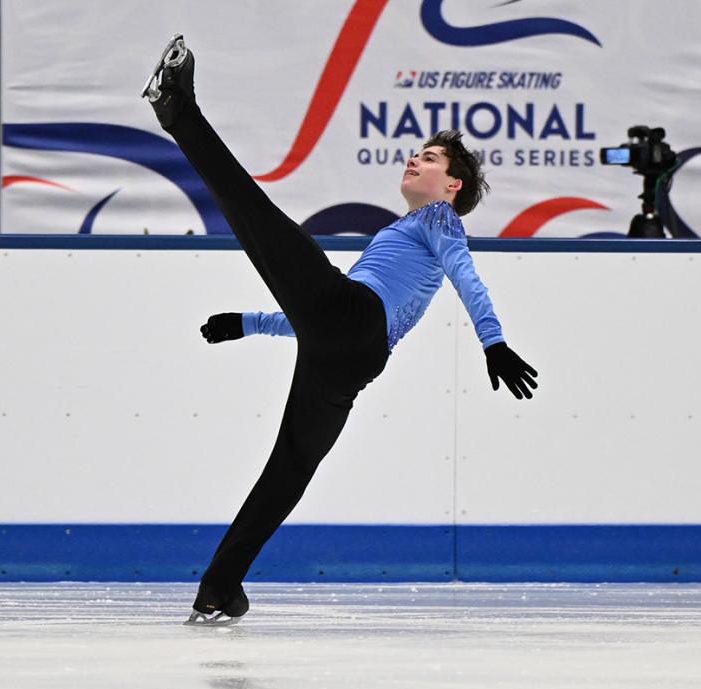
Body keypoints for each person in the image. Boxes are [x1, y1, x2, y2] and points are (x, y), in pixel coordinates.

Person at [142, 35, 539, 625]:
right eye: (417, 152)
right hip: (349, 357)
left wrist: (493, 340)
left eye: (430, 159)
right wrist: (247, 324)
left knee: (254, 214)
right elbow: (319, 318)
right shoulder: (406, 235)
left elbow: (466, 275)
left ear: (452, 186)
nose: (415, 159)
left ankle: (178, 110)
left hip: (351, 327)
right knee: (286, 475)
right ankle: (218, 587)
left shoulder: (438, 219)